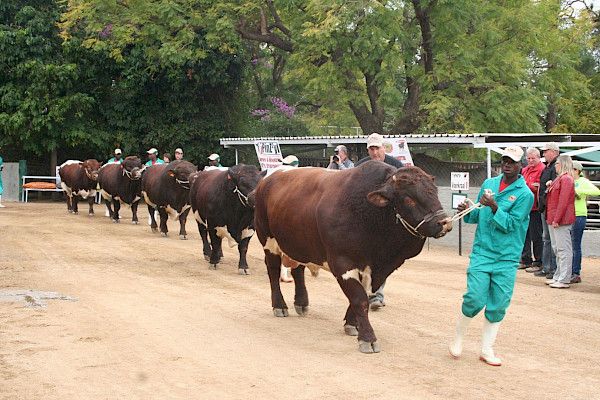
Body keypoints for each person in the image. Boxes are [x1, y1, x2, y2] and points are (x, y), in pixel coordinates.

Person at [449, 145, 533, 366]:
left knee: (498, 303)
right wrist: (466, 209)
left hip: (507, 257)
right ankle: (458, 338)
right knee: (475, 298)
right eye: (504, 160)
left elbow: (512, 225)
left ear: (520, 165)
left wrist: (495, 207)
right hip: (483, 252)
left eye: (512, 161)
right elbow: (478, 214)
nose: (506, 164)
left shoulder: (525, 195)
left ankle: (486, 349)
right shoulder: (489, 184)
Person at [356, 133, 403, 310]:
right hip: (364, 221)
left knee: (382, 258)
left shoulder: (396, 167)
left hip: (387, 222)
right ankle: (363, 293)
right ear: (368, 150)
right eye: (371, 149)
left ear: (384, 148)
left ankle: (376, 294)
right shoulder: (361, 166)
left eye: (377, 148)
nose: (375, 152)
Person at [529, 142, 559, 279]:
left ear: (553, 151)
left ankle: (552, 268)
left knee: (551, 240)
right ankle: (547, 267)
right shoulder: (548, 167)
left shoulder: (555, 167)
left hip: (549, 208)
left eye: (546, 151)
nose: (544, 153)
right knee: (546, 238)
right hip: (544, 207)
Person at [545, 154, 575, 289]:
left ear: (562, 164)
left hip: (561, 220)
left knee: (563, 249)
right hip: (554, 218)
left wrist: (556, 219)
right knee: (557, 249)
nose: (555, 166)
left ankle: (564, 278)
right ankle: (558, 275)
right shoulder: (560, 179)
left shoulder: (567, 179)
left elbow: (563, 202)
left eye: (557, 164)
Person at [570, 161, 600, 283]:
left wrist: (580, 192)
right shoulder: (568, 180)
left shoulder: (583, 182)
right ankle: (571, 271)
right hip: (570, 215)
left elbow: (596, 191)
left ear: (576, 170)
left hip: (579, 215)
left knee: (575, 245)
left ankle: (575, 272)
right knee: (570, 245)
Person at [518, 147, 545, 270]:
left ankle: (538, 261)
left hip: (535, 207)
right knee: (525, 234)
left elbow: (539, 187)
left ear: (538, 158)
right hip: (525, 207)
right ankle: (526, 259)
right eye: (528, 158)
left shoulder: (542, 169)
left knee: (536, 235)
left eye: (533, 158)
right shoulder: (524, 170)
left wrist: (531, 187)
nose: (530, 160)